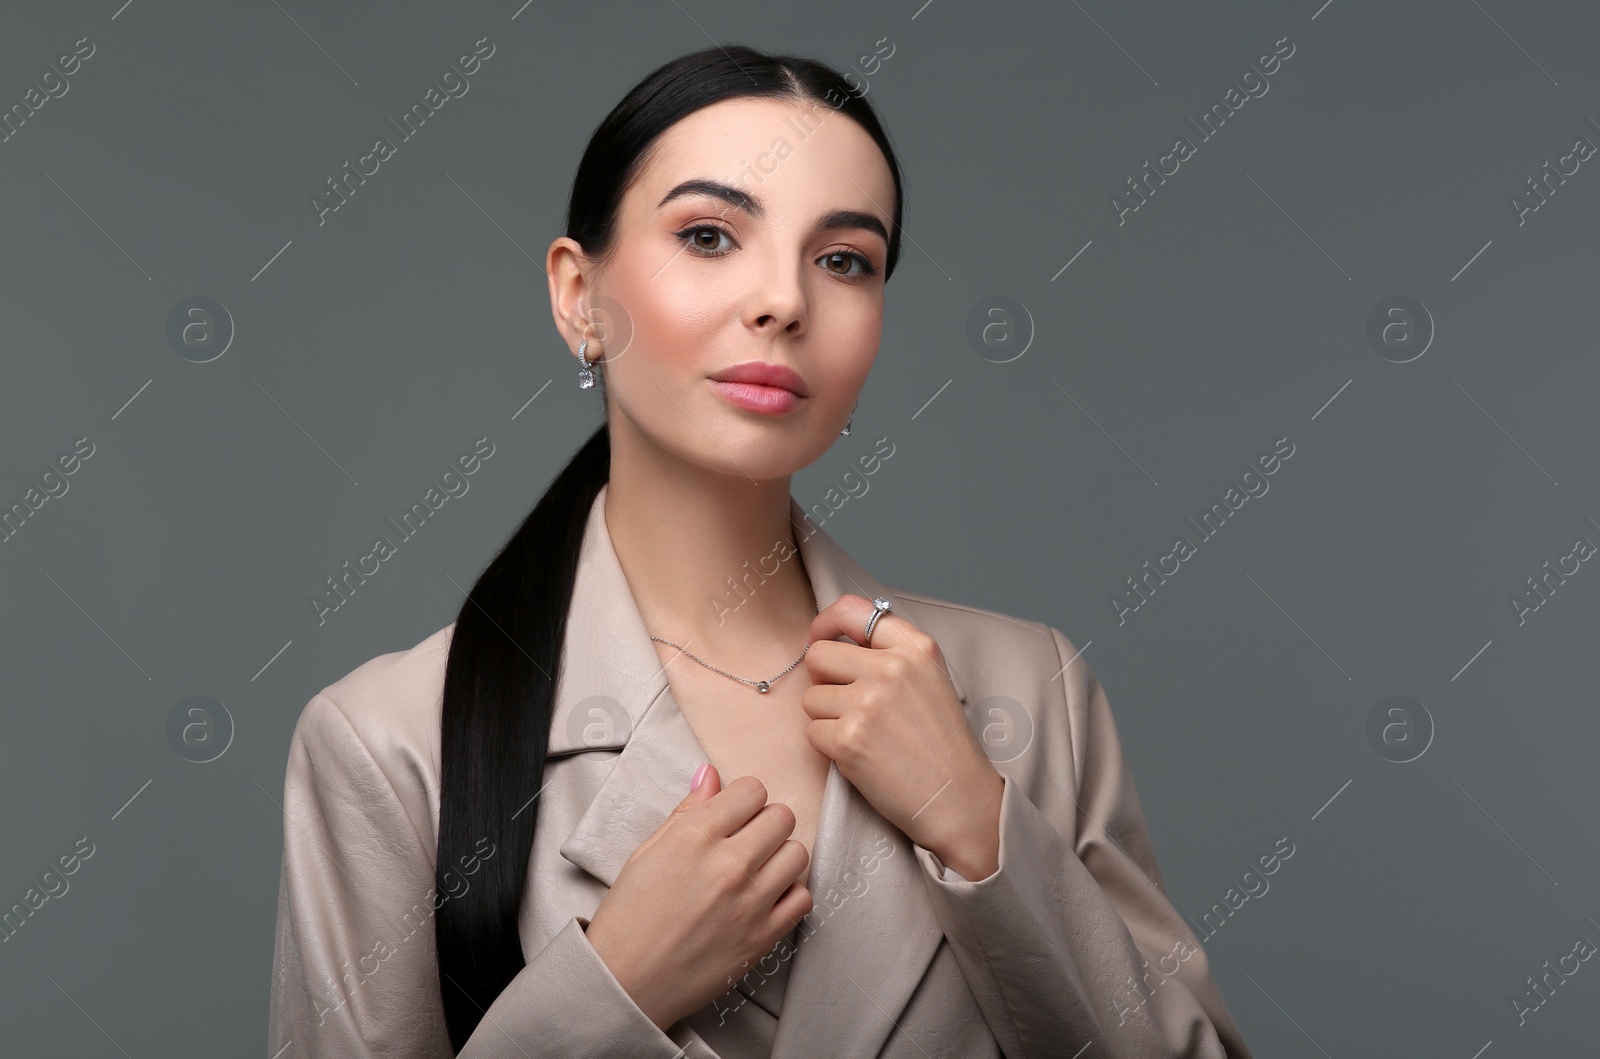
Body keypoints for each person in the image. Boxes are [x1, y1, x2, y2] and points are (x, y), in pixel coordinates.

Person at [267, 43, 1254, 1059]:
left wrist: (979, 825)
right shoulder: (388, 743)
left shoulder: (1027, 692)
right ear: (578, 297)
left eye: (843, 261)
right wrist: (611, 989)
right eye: (708, 235)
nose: (784, 300)